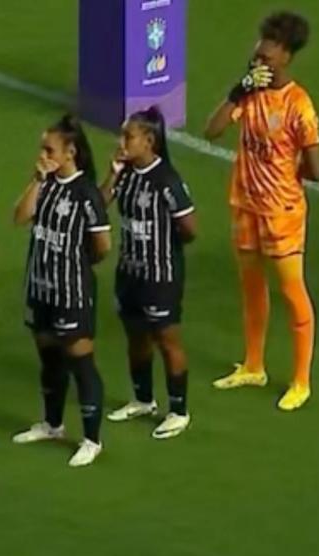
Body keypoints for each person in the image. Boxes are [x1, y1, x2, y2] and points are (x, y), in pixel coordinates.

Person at [204, 11, 319, 411]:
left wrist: (291, 169)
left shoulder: (298, 104)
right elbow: (213, 129)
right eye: (259, 51)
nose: (260, 57)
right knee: (251, 285)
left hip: (281, 211)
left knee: (292, 291)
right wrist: (238, 90)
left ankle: (301, 380)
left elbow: (318, 169)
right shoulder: (250, 92)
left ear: (287, 56)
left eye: (269, 53)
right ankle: (254, 365)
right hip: (245, 204)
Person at [9, 115, 112, 467]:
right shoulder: (45, 184)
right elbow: (19, 217)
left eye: (48, 149)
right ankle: (52, 425)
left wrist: (76, 268)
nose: (43, 154)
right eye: (42, 148)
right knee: (49, 360)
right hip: (40, 289)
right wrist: (37, 179)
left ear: (70, 152)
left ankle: (92, 439)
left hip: (71, 292)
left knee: (81, 364)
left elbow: (102, 246)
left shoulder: (86, 193)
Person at [100, 108, 198, 439]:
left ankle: (179, 410)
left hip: (160, 276)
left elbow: (189, 227)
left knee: (166, 340)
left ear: (149, 141)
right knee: (136, 336)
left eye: (128, 136)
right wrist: (112, 173)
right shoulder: (125, 173)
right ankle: (143, 399)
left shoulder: (166, 179)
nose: (122, 142)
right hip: (129, 273)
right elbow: (99, 207)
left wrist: (162, 249)